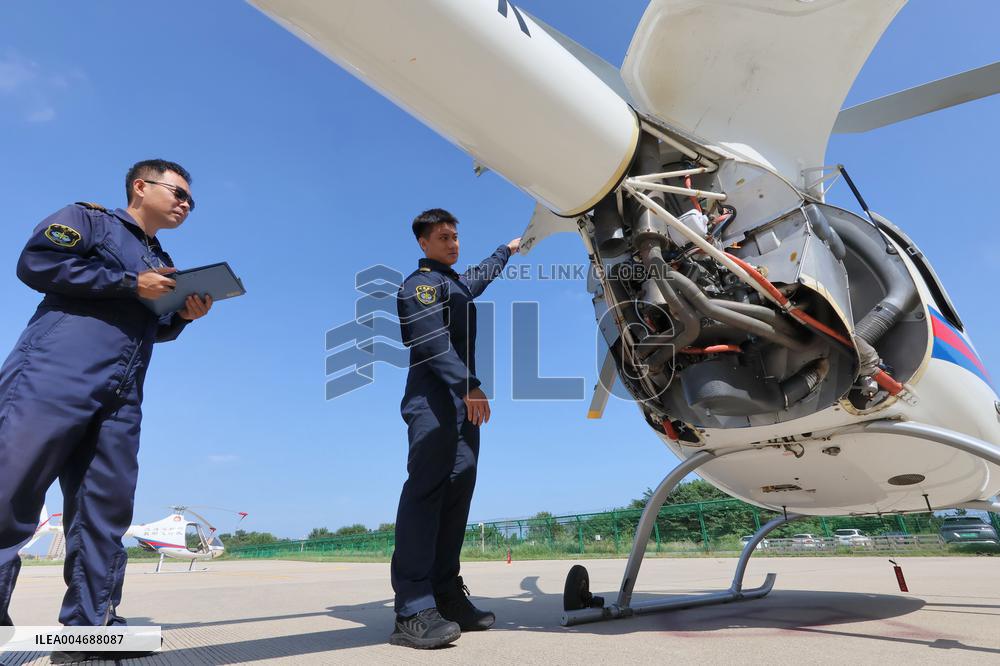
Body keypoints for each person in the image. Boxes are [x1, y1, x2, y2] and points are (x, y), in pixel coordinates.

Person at [0, 160, 211, 653]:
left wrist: (181, 314)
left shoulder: (161, 257)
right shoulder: (89, 219)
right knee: (10, 493)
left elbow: (152, 327)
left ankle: (88, 631)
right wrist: (128, 283)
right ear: (141, 186)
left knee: (104, 510)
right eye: (178, 192)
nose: (185, 203)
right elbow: (37, 263)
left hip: (121, 392)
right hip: (53, 374)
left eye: (190, 201)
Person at [389, 208, 519, 649]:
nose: (453, 243)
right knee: (426, 494)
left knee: (458, 492)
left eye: (456, 236)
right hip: (434, 400)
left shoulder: (455, 284)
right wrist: (470, 386)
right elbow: (430, 340)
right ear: (424, 244)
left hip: (462, 408)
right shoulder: (420, 285)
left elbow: (478, 277)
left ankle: (445, 594)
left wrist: (508, 250)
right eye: (443, 237)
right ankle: (411, 607)